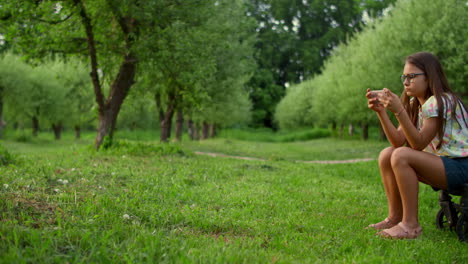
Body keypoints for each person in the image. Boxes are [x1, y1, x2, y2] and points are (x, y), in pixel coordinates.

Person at [365, 51, 468, 239]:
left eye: (412, 76)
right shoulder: (416, 104)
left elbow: (418, 144)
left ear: (430, 77)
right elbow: (397, 140)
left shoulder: (439, 101)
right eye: (404, 77)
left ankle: (410, 225)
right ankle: (395, 218)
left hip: (462, 165)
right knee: (388, 154)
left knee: (401, 155)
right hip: (446, 165)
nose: (405, 82)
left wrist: (399, 111)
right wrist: (382, 112)